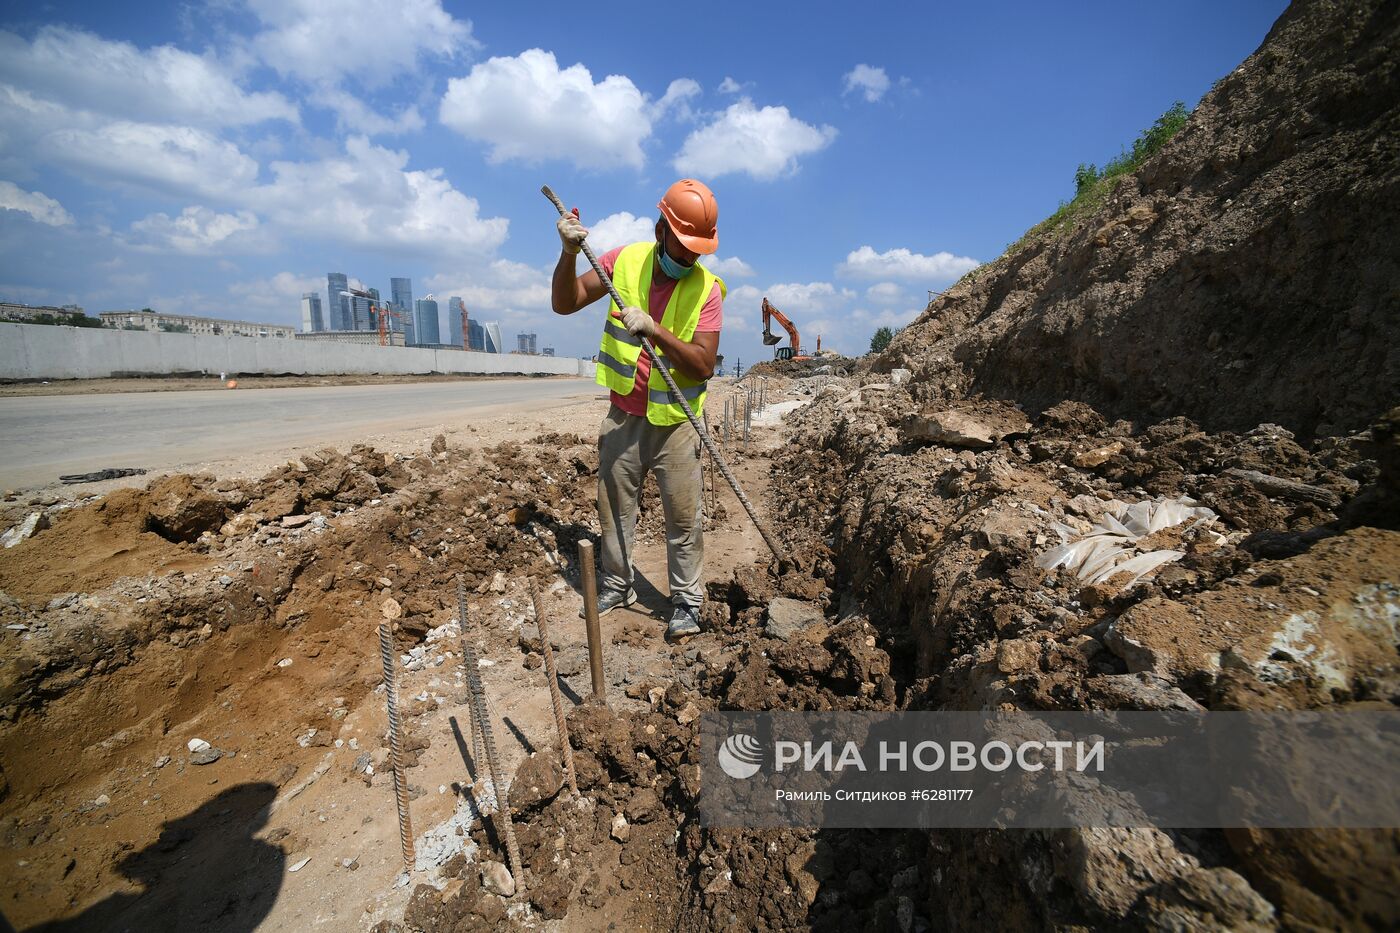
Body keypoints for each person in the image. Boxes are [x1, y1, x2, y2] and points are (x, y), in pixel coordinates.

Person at [550, 179, 725, 641]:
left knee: (683, 519)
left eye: (698, 250)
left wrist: (656, 331)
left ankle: (686, 601)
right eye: (683, 246)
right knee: (614, 511)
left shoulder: (707, 289)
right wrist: (568, 254)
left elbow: (703, 365)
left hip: (677, 425)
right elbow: (564, 303)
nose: (690, 258)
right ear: (661, 229)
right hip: (624, 417)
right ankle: (617, 584)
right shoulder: (622, 262)